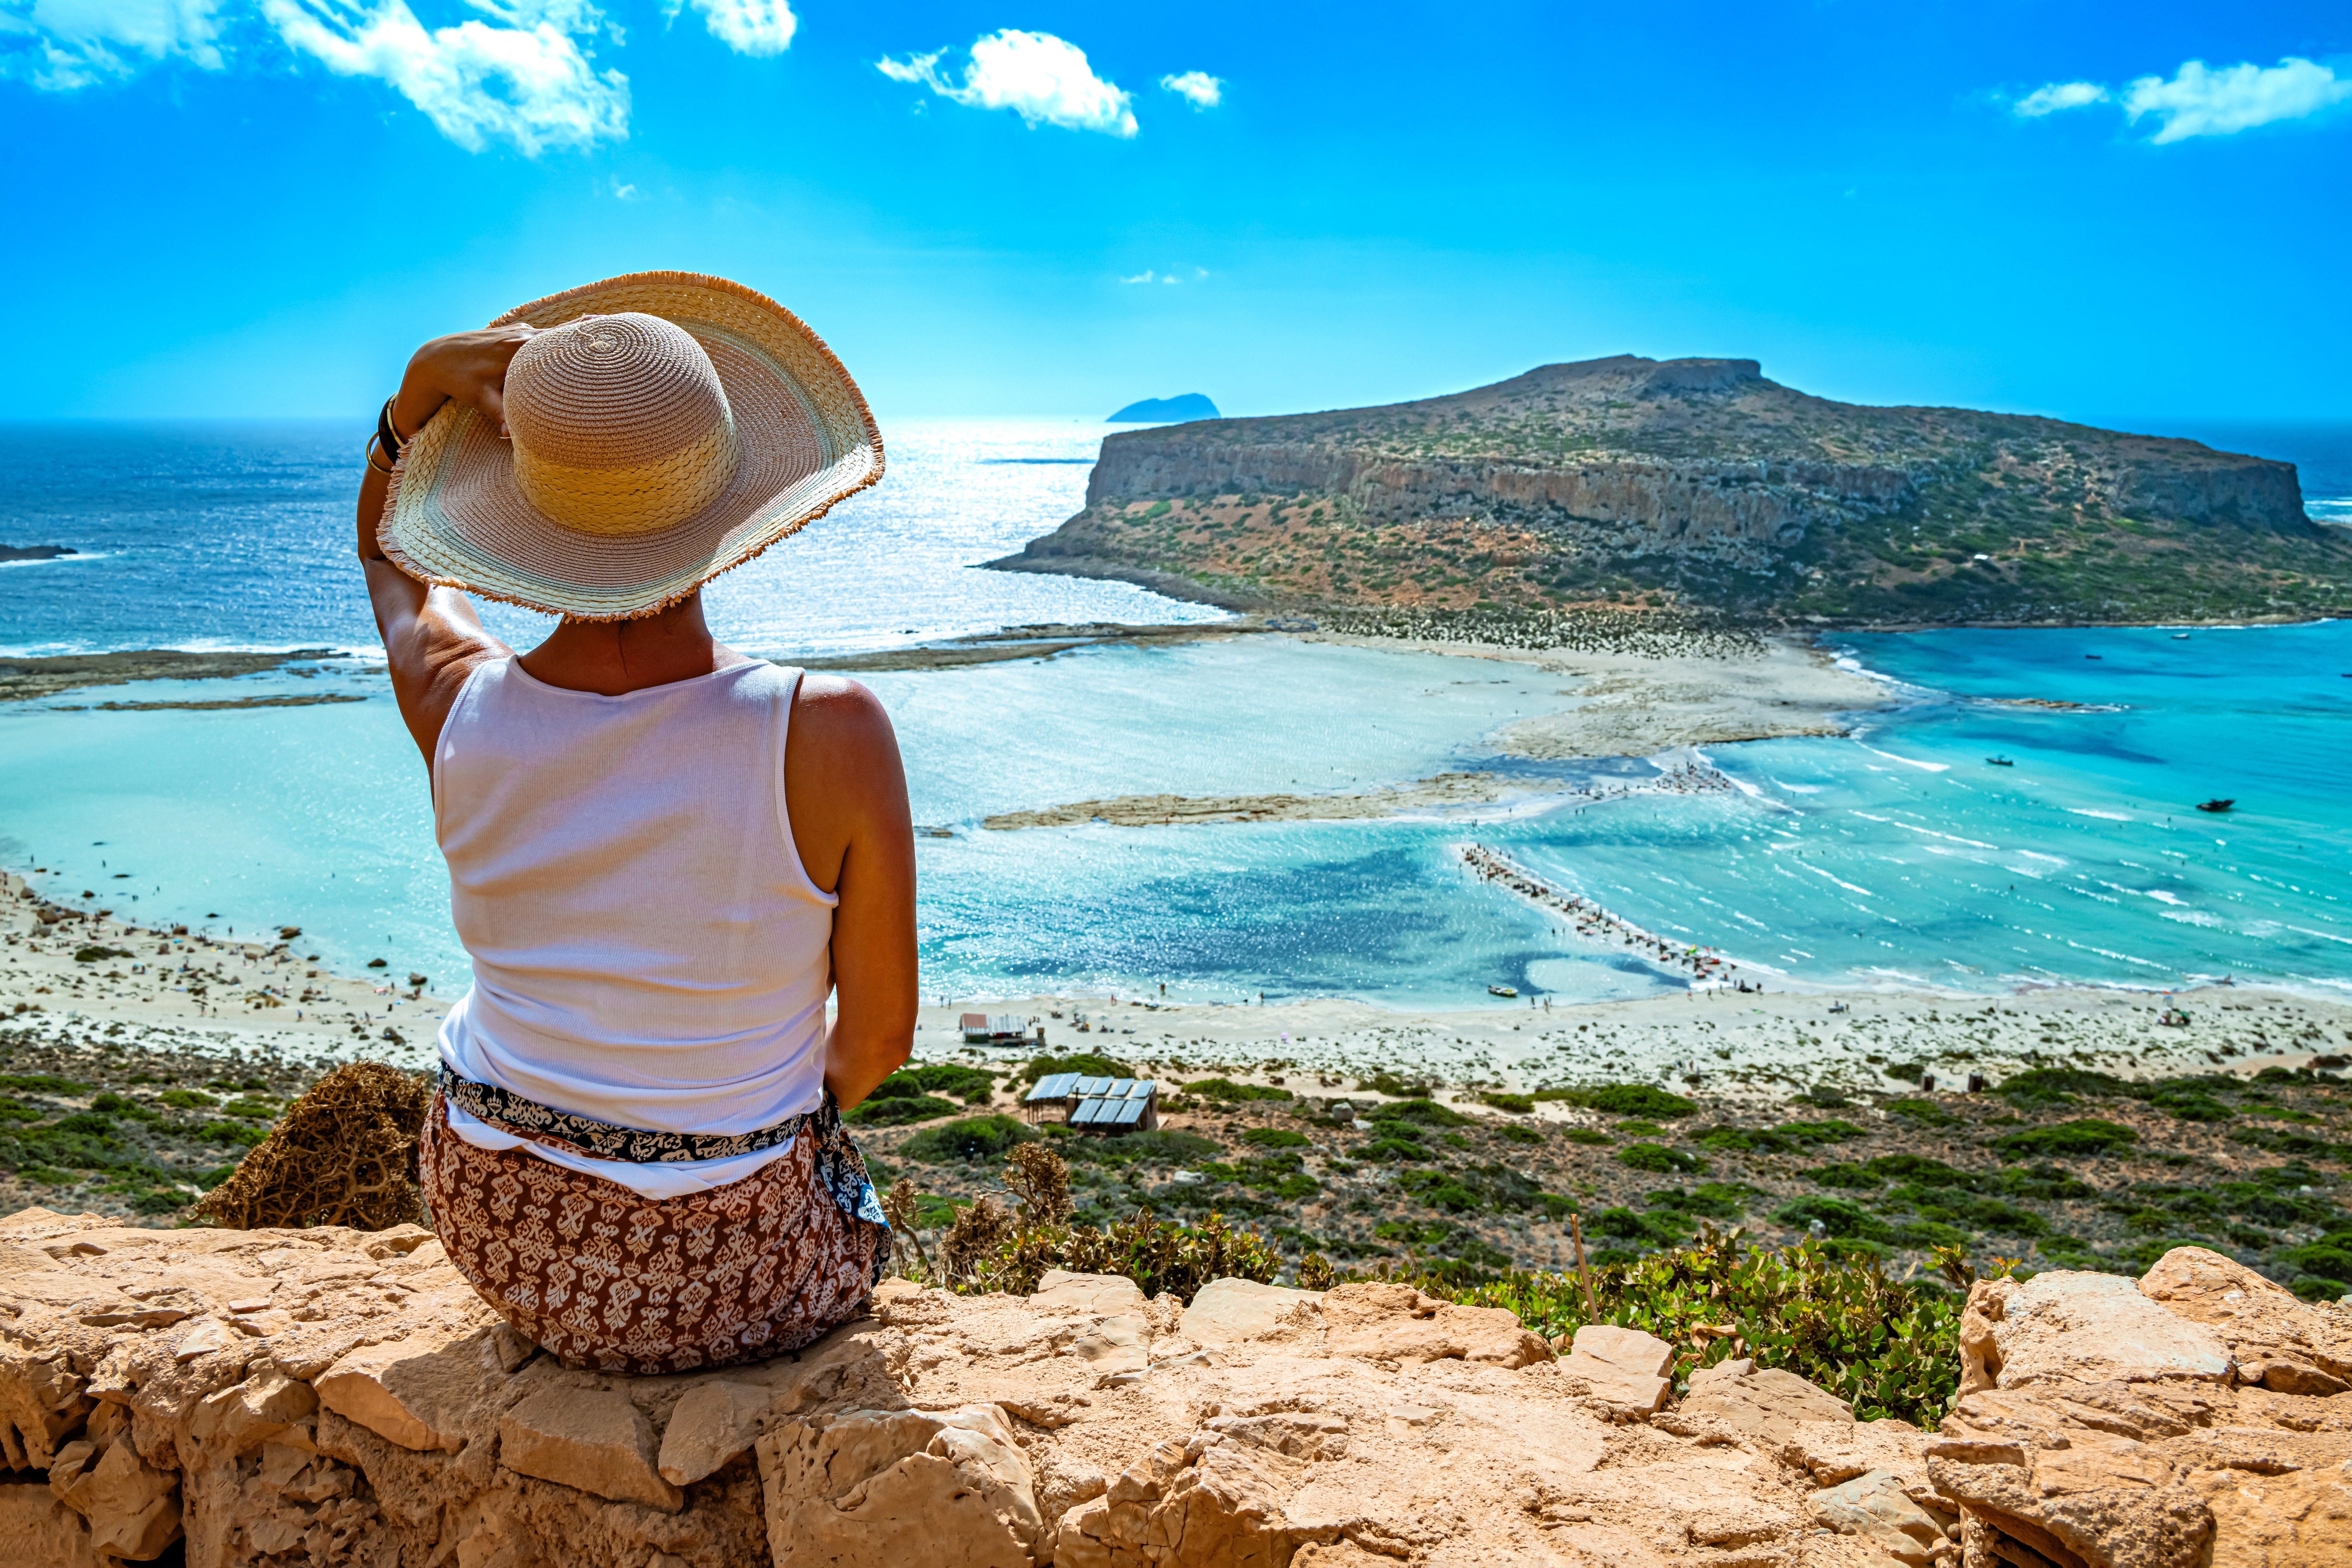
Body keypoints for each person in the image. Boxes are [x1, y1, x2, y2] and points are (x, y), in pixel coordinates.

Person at [354, 272, 911, 1375]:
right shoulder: (828, 731)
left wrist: (406, 408)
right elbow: (880, 1038)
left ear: (521, 507)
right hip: (729, 1265)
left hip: (495, 1222)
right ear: (735, 494)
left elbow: (393, 566)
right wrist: (750, 1132)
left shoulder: (456, 705)